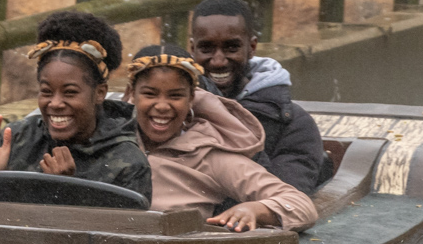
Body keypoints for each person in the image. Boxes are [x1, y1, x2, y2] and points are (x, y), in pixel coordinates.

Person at [126, 44, 317, 232]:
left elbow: (300, 205)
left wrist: (255, 210)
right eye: (149, 94)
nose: (162, 106)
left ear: (191, 98)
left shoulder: (209, 156)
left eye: (175, 96)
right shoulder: (115, 144)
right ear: (131, 94)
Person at [0, 11, 152, 201]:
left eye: (70, 92)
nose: (55, 103)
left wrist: (65, 191)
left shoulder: (130, 164)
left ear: (100, 93)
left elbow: (122, 221)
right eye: (46, 91)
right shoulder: (16, 140)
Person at [189, 0, 332, 195]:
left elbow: (282, 200)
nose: (218, 61)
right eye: (207, 49)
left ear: (252, 47)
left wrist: (225, 120)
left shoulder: (294, 125)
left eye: (231, 48)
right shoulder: (173, 112)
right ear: (192, 49)